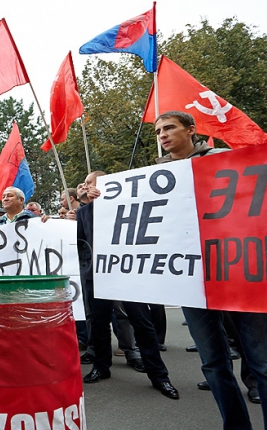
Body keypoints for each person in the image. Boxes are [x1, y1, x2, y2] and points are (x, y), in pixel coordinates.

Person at [154, 110, 267, 428]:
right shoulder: (154, 179)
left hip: (241, 273)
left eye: (169, 127)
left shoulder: (228, 160)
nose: (162, 135)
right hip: (192, 280)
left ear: (191, 130)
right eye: (158, 132)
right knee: (213, 364)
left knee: (266, 366)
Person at [77, 170, 179, 399]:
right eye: (84, 184)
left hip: (128, 274)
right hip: (97, 275)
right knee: (100, 324)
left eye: (89, 183)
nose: (85, 187)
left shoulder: (128, 205)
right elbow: (79, 242)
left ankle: (159, 376)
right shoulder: (83, 212)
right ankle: (101, 367)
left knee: (142, 323)